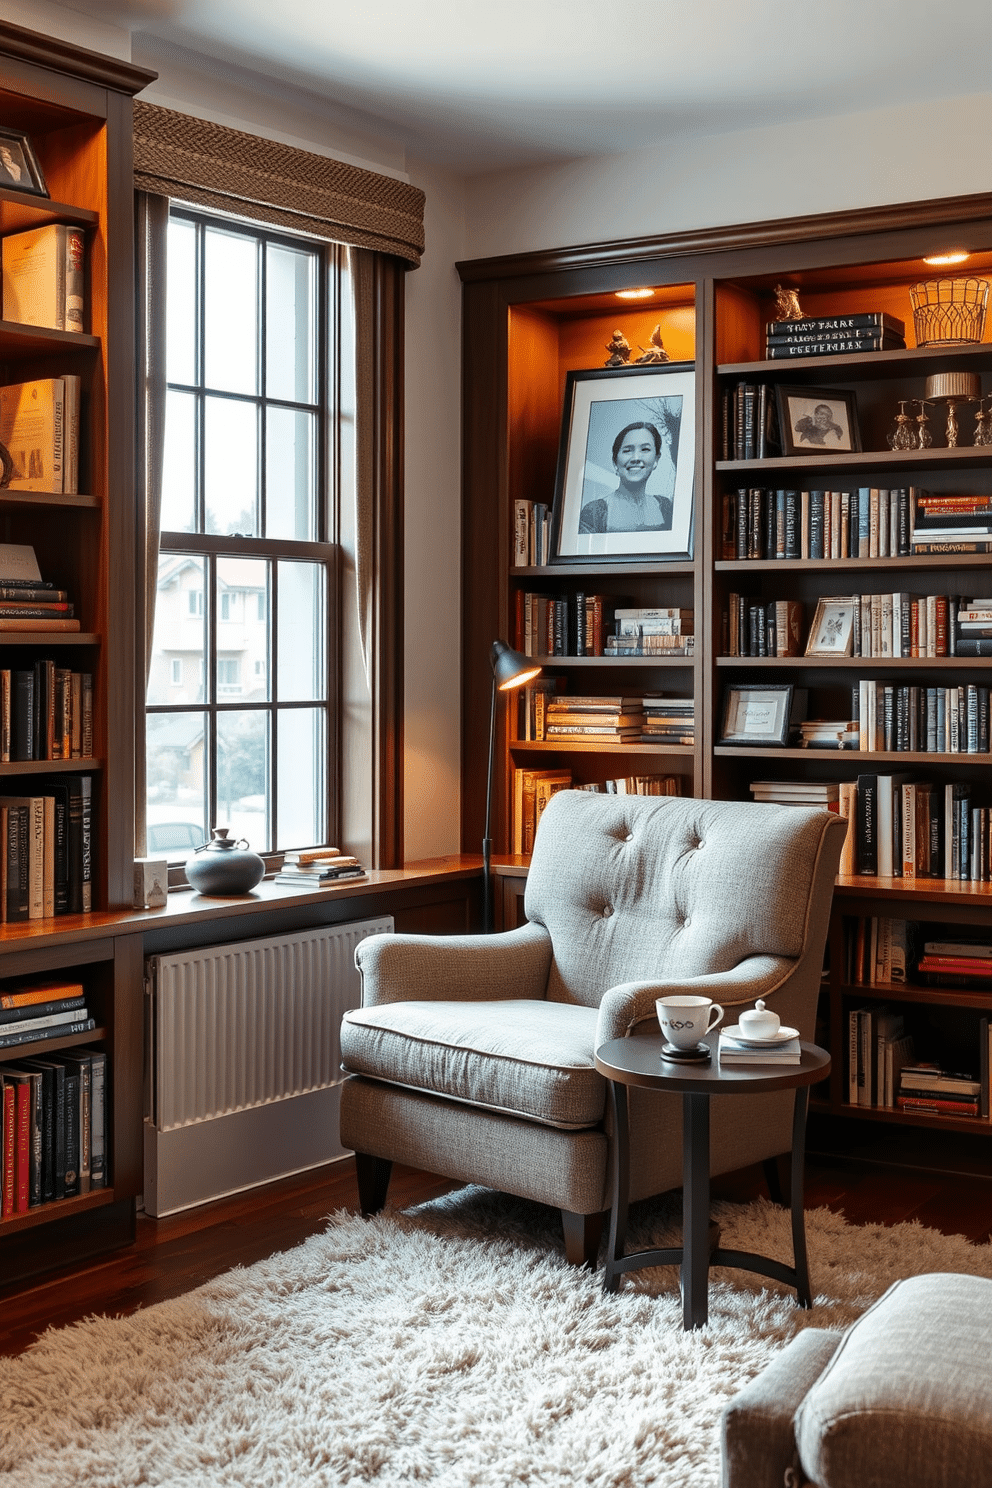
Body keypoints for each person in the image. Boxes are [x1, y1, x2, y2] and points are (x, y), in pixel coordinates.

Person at [579, 420, 673, 533]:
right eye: (627, 450)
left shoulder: (665, 507)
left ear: (656, 460)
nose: (636, 458)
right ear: (615, 462)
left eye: (645, 449)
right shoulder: (594, 512)